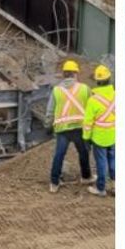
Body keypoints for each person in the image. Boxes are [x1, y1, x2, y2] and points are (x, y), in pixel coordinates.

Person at [46, 59, 91, 193]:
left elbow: (50, 111)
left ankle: (54, 183)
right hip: (79, 127)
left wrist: (48, 125)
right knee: (83, 153)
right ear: (76, 74)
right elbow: (91, 109)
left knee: (59, 155)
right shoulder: (85, 88)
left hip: (62, 129)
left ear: (63, 74)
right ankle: (86, 176)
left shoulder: (56, 90)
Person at [83, 64, 115, 197]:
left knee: (101, 163)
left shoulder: (93, 100)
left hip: (99, 137)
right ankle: (115, 185)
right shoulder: (115, 95)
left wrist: (86, 138)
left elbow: (87, 123)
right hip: (113, 135)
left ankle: (101, 188)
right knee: (113, 160)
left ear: (97, 81)